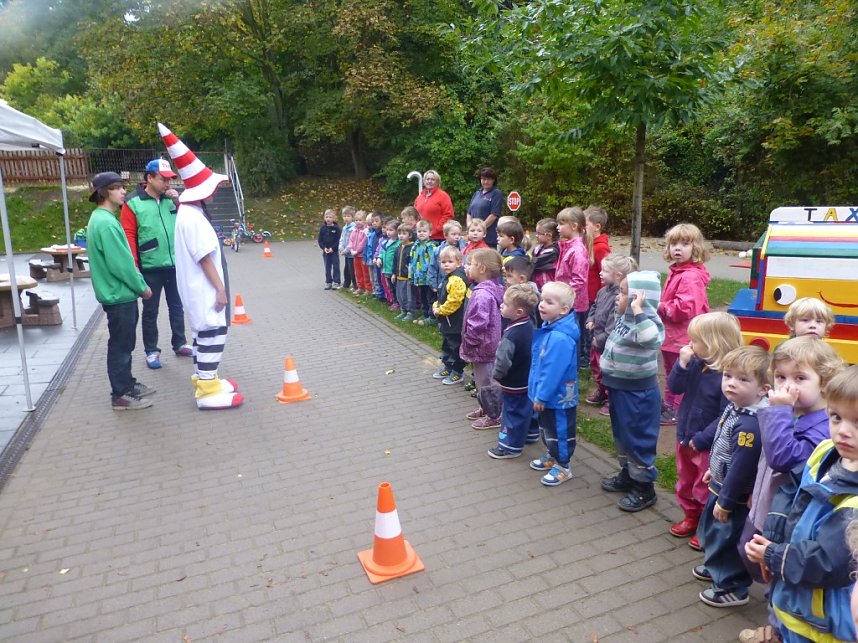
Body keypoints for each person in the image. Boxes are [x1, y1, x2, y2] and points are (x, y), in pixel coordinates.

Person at [738, 337, 844, 643]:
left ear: (824, 383)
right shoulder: (794, 414)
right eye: (781, 377)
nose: (787, 386)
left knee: (778, 576)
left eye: (799, 378)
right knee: (753, 557)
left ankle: (778, 629)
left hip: (787, 524)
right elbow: (766, 465)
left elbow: (781, 458)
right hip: (766, 507)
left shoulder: (823, 427)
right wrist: (755, 493)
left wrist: (779, 412)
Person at [158, 122, 243, 410]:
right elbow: (204, 257)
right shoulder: (192, 216)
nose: (214, 192)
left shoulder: (188, 212)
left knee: (202, 333)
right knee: (212, 331)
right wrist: (220, 289)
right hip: (204, 288)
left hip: (197, 288)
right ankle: (207, 389)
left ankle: (206, 379)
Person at [690, 345, 770, 607]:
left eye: (743, 379)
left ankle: (732, 585)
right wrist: (714, 466)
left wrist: (726, 500)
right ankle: (716, 568)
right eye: (728, 376)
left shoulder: (750, 424)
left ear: (763, 389)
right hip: (721, 484)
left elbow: (741, 467)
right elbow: (726, 447)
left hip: (733, 495)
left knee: (728, 537)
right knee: (714, 532)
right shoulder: (737, 407)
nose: (731, 384)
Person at [667, 312, 743, 549]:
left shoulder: (726, 377)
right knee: (686, 480)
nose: (690, 344)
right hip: (686, 436)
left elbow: (725, 415)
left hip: (706, 444)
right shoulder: (695, 365)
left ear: (713, 344)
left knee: (705, 485)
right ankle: (691, 515)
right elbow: (674, 387)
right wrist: (681, 364)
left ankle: (706, 524)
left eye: (695, 341)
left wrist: (703, 438)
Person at [86, 172, 154, 410]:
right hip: (118, 295)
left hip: (117, 295)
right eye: (117, 187)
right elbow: (121, 264)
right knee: (121, 346)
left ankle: (127, 384)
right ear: (105, 192)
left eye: (122, 187)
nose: (123, 191)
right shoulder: (105, 223)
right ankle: (121, 395)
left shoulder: (102, 218)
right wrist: (141, 286)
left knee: (124, 344)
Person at [599, 270, 665, 511]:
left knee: (638, 438)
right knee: (623, 435)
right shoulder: (625, 320)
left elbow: (652, 341)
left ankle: (645, 487)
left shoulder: (647, 323)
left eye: (624, 293)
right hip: (619, 387)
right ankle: (629, 473)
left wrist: (638, 310)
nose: (618, 296)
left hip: (638, 394)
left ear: (640, 298)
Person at [120, 157, 193, 369]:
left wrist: (180, 202)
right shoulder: (133, 203)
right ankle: (151, 351)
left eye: (170, 179)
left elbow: (186, 223)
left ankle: (180, 343)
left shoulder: (171, 199)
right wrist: (134, 265)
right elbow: (129, 235)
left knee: (177, 306)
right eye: (163, 179)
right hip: (150, 267)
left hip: (173, 264)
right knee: (150, 311)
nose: (167, 184)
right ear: (149, 178)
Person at [527, 281, 580, 485]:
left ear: (564, 310)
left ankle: (563, 465)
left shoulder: (559, 338)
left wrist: (542, 395)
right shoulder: (550, 328)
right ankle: (552, 455)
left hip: (557, 397)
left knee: (560, 431)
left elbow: (552, 371)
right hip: (547, 395)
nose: (541, 305)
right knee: (547, 428)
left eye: (549, 302)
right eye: (542, 300)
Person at [659, 223, 712, 425]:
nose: (677, 248)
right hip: (673, 335)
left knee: (681, 373)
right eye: (673, 244)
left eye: (684, 244)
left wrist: (659, 306)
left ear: (696, 248)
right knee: (672, 372)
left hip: (682, 337)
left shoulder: (689, 276)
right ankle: (669, 405)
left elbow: (683, 309)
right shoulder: (678, 271)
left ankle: (677, 410)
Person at [489, 284, 540, 459]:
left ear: (518, 311)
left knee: (512, 412)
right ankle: (531, 433)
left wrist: (496, 375)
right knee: (527, 408)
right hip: (528, 378)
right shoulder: (529, 325)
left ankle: (510, 446)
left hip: (514, 382)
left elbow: (503, 361)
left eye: (505, 303)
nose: (501, 306)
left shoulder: (511, 334)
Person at [584, 253, 637, 415]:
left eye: (605, 270)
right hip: (596, 340)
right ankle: (601, 391)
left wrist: (600, 339)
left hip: (606, 344)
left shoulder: (619, 298)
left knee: (607, 371)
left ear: (618, 275)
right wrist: (591, 318)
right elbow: (594, 307)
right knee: (596, 368)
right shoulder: (602, 292)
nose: (601, 273)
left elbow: (614, 323)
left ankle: (611, 398)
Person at [461, 249, 506, 428]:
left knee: (487, 383)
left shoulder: (482, 295)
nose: (468, 267)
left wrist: (469, 342)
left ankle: (494, 415)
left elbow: (477, 323)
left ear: (481, 268)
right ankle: (485, 407)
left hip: (482, 346)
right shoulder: (494, 288)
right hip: (488, 345)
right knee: (482, 380)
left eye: (471, 263)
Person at [555, 207, 591, 368]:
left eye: (561, 224)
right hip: (565, 301)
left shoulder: (577, 250)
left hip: (572, 304)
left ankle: (571, 369)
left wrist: (563, 296)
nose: (558, 227)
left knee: (571, 337)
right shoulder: (567, 246)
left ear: (574, 226)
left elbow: (579, 279)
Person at [432, 246, 468, 385]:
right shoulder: (449, 278)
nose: (446, 264)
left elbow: (454, 301)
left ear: (458, 263)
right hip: (447, 320)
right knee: (446, 344)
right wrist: (436, 305)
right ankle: (448, 366)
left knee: (455, 345)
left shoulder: (457, 279)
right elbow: (442, 297)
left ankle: (458, 371)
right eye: (443, 262)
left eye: (450, 261)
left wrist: (440, 310)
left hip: (455, 321)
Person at [466, 167, 504, 248]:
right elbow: (469, 213)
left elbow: (494, 215)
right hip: (473, 239)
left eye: (489, 179)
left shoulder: (496, 193)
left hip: (488, 239)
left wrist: (480, 230)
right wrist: (470, 229)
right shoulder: (477, 193)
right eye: (483, 179)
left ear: (493, 180)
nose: (486, 182)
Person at [414, 169, 454, 242]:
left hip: (437, 237)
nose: (429, 181)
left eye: (433, 179)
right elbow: (415, 215)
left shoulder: (443, 196)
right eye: (427, 179)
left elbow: (448, 215)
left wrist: (436, 229)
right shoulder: (419, 197)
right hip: (421, 237)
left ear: (437, 182)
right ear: (424, 181)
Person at [409, 219, 436, 324]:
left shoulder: (431, 246)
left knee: (430, 298)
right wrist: (411, 276)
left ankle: (432, 316)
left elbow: (433, 263)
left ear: (430, 233)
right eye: (419, 231)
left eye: (424, 231)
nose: (421, 233)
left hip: (428, 278)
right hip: (419, 278)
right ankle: (425, 314)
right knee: (423, 297)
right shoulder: (415, 246)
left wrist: (432, 277)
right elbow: (412, 262)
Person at [584, 205, 611, 308]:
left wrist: (602, 298)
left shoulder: (601, 248)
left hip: (594, 298)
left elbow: (606, 274)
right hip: (585, 296)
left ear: (597, 227)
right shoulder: (587, 244)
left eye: (585, 225)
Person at [392, 223, 415, 321]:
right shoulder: (398, 247)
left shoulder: (412, 247)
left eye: (404, 233)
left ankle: (411, 312)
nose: (401, 235)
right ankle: (403, 310)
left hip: (407, 277)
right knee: (400, 295)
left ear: (409, 235)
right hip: (399, 276)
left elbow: (413, 263)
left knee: (408, 296)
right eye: (399, 233)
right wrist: (394, 273)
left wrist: (411, 276)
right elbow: (395, 261)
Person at [531, 218, 559, 292]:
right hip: (536, 282)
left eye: (539, 233)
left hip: (546, 284)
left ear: (549, 236)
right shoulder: (538, 248)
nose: (536, 235)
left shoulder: (552, 252)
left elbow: (535, 262)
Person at [378, 218, 400, 309]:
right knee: (390, 287)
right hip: (386, 269)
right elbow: (382, 252)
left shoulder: (398, 243)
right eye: (387, 230)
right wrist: (379, 258)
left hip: (393, 270)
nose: (388, 232)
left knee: (396, 287)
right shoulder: (385, 242)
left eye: (391, 230)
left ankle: (398, 302)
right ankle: (393, 301)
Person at [317, 208, 341, 290]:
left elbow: (339, 240)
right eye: (327, 217)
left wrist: (333, 248)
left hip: (334, 251)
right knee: (327, 267)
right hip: (326, 251)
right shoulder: (322, 229)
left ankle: (336, 281)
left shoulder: (336, 228)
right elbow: (320, 240)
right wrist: (324, 248)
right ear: (324, 218)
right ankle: (328, 282)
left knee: (336, 266)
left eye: (330, 217)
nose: (328, 219)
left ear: (334, 218)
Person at [348, 211, 369, 295]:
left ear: (364, 221)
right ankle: (360, 287)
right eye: (356, 220)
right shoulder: (354, 230)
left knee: (365, 272)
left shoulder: (365, 231)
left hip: (362, 255)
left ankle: (368, 288)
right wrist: (351, 249)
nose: (358, 222)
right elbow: (351, 240)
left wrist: (357, 250)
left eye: (360, 220)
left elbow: (363, 242)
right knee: (358, 272)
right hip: (355, 255)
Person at [338, 206, 356, 291]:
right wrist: (340, 247)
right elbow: (341, 238)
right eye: (344, 216)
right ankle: (346, 284)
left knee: (352, 271)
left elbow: (351, 242)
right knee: (346, 270)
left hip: (351, 253)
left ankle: (355, 285)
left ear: (352, 217)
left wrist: (345, 250)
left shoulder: (353, 228)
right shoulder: (345, 227)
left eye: (348, 216)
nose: (346, 218)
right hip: (345, 253)